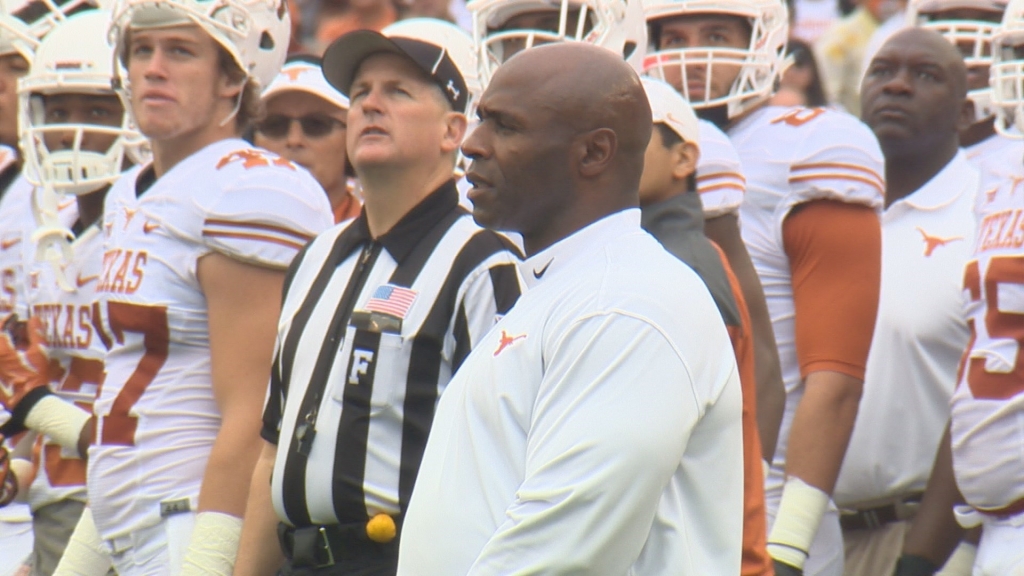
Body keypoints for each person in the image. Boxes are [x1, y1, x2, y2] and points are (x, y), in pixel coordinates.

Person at [399, 41, 744, 575]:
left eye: (504, 126)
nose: (471, 144)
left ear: (593, 153)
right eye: (479, 120)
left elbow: (565, 548)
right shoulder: (576, 288)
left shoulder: (627, 302)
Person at [48, 0, 334, 573]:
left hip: (188, 521)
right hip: (122, 515)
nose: (154, 69)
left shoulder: (247, 192)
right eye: (142, 50)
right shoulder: (131, 189)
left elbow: (253, 411)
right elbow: (133, 385)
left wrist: (210, 559)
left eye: (181, 51)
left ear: (234, 76)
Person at [233, 24, 522, 576]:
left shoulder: (485, 265)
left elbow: (508, 461)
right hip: (298, 557)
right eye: (360, 91)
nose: (370, 103)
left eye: (398, 91)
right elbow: (272, 449)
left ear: (453, 131)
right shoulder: (314, 259)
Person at [642, 0, 885, 574]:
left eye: (716, 34)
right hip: (656, 483)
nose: (691, 57)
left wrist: (789, 543)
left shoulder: (811, 145)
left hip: (767, 489)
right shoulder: (628, 142)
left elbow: (837, 375)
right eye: (673, 38)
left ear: (766, 40)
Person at [832, 28, 977, 576]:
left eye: (925, 75)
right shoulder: (821, 205)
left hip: (924, 542)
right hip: (800, 530)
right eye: (882, 71)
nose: (897, 86)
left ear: (965, 113)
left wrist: (925, 556)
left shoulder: (988, 219)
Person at [639, 75, 773, 576]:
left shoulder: (682, 265)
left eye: (634, 133)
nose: (610, 147)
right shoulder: (653, 255)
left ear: (684, 158)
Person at [256, 56, 362, 224]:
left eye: (316, 124)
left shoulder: (383, 235)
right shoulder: (217, 227)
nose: (294, 140)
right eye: (275, 125)